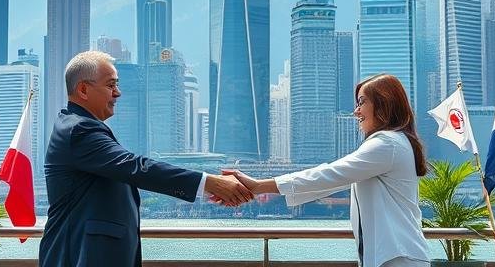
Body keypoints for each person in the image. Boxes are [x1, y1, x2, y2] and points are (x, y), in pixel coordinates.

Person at [39, 51, 254, 267]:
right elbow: (136, 167)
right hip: (78, 258)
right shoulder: (79, 130)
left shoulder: (79, 126)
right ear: (83, 89)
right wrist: (209, 183)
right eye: (110, 85)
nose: (118, 93)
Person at [226, 74, 429, 267]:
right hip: (396, 255)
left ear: (384, 103)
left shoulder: (386, 143)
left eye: (362, 102)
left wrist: (260, 186)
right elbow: (332, 181)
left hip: (398, 257)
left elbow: (329, 175)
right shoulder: (395, 142)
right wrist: (266, 189)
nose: (356, 111)